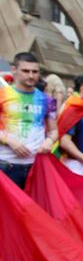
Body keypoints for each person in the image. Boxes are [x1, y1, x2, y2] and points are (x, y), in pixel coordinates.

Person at [0, 52, 57, 189]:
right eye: (25, 71)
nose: (31, 76)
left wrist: (49, 141)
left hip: (35, 166)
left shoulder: (47, 100)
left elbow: (54, 130)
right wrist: (10, 141)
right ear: (14, 70)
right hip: (5, 165)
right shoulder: (2, 95)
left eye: (35, 72)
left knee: (31, 209)